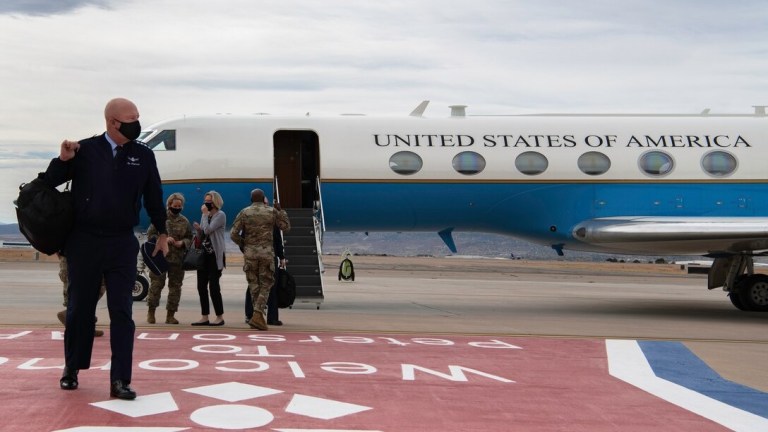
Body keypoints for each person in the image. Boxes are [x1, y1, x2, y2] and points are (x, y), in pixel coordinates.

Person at [44, 97, 169, 400]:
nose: (136, 123)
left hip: (121, 241)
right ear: (113, 122)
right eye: (131, 118)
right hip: (84, 241)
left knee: (122, 312)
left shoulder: (143, 155)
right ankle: (72, 368)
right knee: (79, 310)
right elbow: (49, 181)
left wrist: (162, 231)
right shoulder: (85, 150)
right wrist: (62, 160)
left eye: (138, 116)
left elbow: (154, 195)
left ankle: (120, 380)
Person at [230, 189, 290, 331]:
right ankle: (257, 315)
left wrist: (244, 245)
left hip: (250, 253)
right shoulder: (272, 212)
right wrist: (281, 211)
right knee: (267, 284)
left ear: (251, 199)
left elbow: (233, 234)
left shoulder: (244, 212)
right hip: (266, 254)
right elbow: (286, 228)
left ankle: (256, 317)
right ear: (263, 198)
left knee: (253, 285)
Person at [146, 193, 193, 325]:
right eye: (175, 205)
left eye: (179, 206)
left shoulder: (184, 221)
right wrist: (164, 239)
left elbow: (190, 237)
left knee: (175, 288)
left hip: (177, 260)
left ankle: (170, 315)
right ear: (169, 205)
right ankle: (151, 312)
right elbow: (150, 235)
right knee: (156, 285)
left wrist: (182, 243)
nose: (177, 208)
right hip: (160, 259)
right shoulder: (161, 218)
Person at [191, 191, 226, 326]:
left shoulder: (220, 215)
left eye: (209, 202)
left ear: (215, 202)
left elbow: (208, 230)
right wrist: (198, 229)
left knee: (214, 287)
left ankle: (220, 316)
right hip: (203, 255)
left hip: (214, 256)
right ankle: (204, 316)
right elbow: (203, 232)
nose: (206, 204)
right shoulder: (205, 215)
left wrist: (205, 216)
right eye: (205, 201)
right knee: (201, 287)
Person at [245, 225, 286, 325]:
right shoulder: (272, 218)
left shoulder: (250, 216)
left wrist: (247, 251)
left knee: (253, 285)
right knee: (272, 286)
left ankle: (250, 315)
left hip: (254, 257)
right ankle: (272, 318)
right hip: (269, 258)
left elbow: (240, 237)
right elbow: (277, 240)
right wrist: (281, 257)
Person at [57, 255, 105, 337]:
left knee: (86, 289)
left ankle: (85, 325)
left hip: (75, 255)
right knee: (91, 287)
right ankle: (77, 325)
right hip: (74, 255)